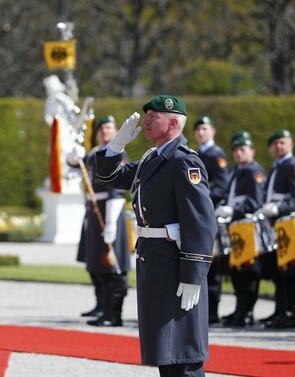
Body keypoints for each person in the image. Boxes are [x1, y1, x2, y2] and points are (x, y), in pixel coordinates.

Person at [96, 95, 215, 376]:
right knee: (166, 351)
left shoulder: (184, 163)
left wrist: (193, 275)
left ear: (173, 123)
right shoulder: (153, 158)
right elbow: (110, 178)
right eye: (146, 115)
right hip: (155, 262)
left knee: (183, 354)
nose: (146, 121)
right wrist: (116, 146)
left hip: (175, 265)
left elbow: (200, 222)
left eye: (154, 116)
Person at [68, 115, 132, 327]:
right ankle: (103, 308)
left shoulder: (117, 152)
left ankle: (114, 313)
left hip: (110, 209)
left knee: (113, 264)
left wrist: (112, 220)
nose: (105, 132)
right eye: (102, 128)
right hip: (95, 210)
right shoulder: (96, 153)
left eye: (109, 128)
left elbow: (118, 187)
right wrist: (72, 157)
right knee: (96, 262)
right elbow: (79, 167)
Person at [215, 135, 266, 327]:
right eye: (235, 149)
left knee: (248, 271)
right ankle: (240, 308)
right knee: (237, 272)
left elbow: (255, 202)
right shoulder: (235, 171)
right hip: (235, 227)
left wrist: (233, 210)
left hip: (247, 227)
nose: (238, 152)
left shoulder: (254, 171)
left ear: (252, 151)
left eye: (242, 149)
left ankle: (247, 311)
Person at [258, 129, 295, 329]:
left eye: (283, 142)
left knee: (289, 272)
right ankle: (281, 310)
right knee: (279, 272)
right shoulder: (277, 167)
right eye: (275, 143)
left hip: (289, 226)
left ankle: (290, 312)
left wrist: (278, 208)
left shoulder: (293, 166)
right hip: (276, 226)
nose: (279, 146)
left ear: (291, 144)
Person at [193, 116, 229, 324]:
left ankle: (212, 312)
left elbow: (221, 186)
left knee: (212, 266)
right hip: (199, 215)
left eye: (204, 129)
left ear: (212, 131)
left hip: (210, 214)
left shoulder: (216, 155)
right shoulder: (199, 154)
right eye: (198, 129)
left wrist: (201, 197)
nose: (200, 133)